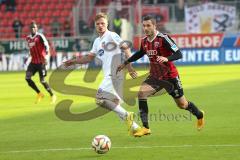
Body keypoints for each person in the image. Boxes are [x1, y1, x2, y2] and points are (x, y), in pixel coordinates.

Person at [117, 15, 205, 137]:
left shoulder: (164, 38)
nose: (146, 28)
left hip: (170, 77)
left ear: (154, 26)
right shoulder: (144, 41)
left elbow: (179, 54)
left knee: (182, 105)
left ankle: (199, 114)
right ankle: (146, 128)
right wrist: (126, 63)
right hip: (155, 76)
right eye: (144, 26)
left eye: (148, 25)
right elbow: (140, 53)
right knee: (142, 93)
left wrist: (166, 58)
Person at [63, 12, 140, 135]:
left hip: (114, 74)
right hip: (110, 76)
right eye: (98, 24)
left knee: (99, 99)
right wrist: (73, 61)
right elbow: (89, 58)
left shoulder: (112, 35)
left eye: (102, 23)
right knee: (114, 104)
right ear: (95, 25)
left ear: (107, 24)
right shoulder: (97, 42)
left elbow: (126, 48)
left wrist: (129, 67)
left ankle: (128, 116)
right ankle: (135, 128)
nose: (100, 26)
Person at [25, 21, 57, 104]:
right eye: (32, 27)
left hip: (41, 62)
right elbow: (30, 49)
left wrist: (46, 57)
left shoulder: (40, 36)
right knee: (27, 78)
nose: (33, 29)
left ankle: (52, 95)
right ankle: (39, 94)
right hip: (33, 62)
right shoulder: (27, 38)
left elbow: (47, 46)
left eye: (34, 27)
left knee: (42, 80)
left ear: (37, 28)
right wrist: (28, 57)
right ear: (29, 29)